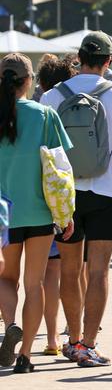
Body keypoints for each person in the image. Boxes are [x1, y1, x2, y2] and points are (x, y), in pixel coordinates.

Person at [41, 31, 112, 368]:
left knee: (69, 271)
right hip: (107, 192)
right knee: (99, 273)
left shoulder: (52, 97)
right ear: (109, 61)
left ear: (78, 58)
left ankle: (71, 340)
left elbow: (44, 154)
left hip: (67, 196)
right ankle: (89, 344)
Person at [0, 53, 74, 373]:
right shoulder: (45, 115)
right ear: (29, 81)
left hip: (4, 215)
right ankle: (26, 356)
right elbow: (61, 169)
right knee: (35, 283)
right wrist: (67, 213)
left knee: (6, 278)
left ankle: (9, 325)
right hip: (40, 213)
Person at [35, 57, 76, 356]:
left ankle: (35, 335)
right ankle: (65, 336)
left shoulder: (37, 108)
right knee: (66, 272)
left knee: (25, 275)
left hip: (21, 203)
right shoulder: (48, 115)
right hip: (54, 201)